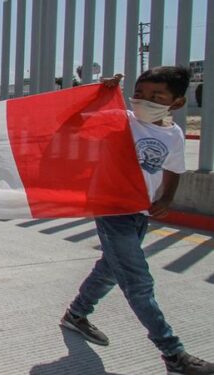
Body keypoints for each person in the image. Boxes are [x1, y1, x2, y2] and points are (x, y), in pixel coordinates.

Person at [60, 67, 214, 375]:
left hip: (140, 212)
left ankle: (76, 314)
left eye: (157, 97)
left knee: (110, 268)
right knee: (138, 281)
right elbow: (73, 122)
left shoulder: (173, 134)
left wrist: (166, 199)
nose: (144, 101)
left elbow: (173, 169)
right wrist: (99, 92)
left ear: (177, 103)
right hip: (112, 209)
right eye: (140, 94)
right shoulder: (120, 121)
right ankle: (172, 352)